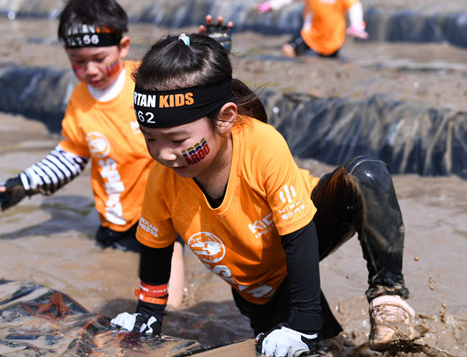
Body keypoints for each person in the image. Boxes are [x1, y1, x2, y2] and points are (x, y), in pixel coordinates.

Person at [110, 32, 417, 356]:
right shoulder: (163, 178)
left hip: (308, 227)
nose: (163, 154)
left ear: (226, 118)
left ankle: (389, 298)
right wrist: (146, 318)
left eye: (176, 140)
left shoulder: (263, 145)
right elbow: (156, 253)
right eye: (150, 139)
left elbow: (300, 240)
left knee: (366, 175)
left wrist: (303, 325)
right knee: (330, 349)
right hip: (261, 288)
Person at [0, 0, 187, 307]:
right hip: (114, 224)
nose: (90, 69)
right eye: (78, 62)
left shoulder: (149, 82)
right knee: (104, 295)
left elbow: (192, 94)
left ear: (123, 47)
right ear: (66, 54)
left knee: (171, 306)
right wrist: (23, 184)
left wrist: (212, 56)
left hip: (164, 220)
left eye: (100, 59)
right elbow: (70, 157)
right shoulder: (79, 101)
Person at [257, 0, 369, 58]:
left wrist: (357, 24)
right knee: (288, 49)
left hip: (333, 38)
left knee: (326, 63)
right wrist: (271, 5)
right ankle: (298, 71)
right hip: (311, 33)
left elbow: (354, 5)